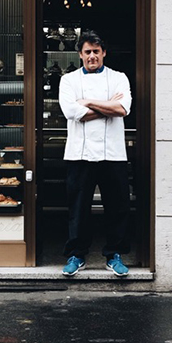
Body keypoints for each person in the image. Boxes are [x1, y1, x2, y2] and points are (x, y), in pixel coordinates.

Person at [58, 30, 132, 277]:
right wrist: (106, 106)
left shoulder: (119, 77)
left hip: (113, 153)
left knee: (117, 206)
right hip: (79, 153)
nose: (92, 56)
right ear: (80, 54)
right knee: (78, 207)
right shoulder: (68, 81)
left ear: (104, 53)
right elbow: (71, 112)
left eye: (96, 52)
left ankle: (114, 254)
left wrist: (87, 102)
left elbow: (123, 109)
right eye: (87, 52)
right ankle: (77, 255)